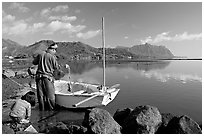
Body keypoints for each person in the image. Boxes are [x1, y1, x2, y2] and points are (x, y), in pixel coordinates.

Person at [32, 43, 61, 111]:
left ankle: (42, 110)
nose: (55, 51)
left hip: (39, 78)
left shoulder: (40, 54)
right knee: (50, 97)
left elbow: (34, 62)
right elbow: (56, 68)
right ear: (51, 49)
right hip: (47, 78)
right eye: (55, 50)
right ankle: (51, 112)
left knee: (41, 96)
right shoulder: (52, 57)